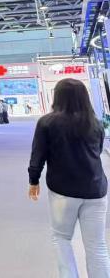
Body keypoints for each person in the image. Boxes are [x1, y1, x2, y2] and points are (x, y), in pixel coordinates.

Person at [28, 79, 110, 277]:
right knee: (97, 245)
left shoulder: (47, 123)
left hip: (63, 192)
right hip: (96, 190)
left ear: (57, 96)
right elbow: (98, 151)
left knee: (62, 238)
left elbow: (38, 155)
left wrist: (33, 180)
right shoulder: (96, 123)